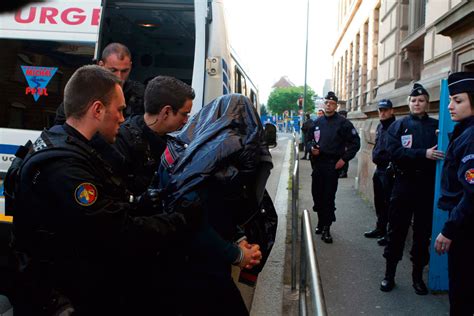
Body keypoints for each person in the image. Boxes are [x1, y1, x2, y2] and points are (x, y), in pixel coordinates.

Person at [7, 65, 203, 315]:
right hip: (58, 297)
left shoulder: (69, 143)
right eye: (119, 110)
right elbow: (116, 231)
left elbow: (107, 206)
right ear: (97, 110)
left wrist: (140, 204)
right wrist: (180, 221)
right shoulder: (66, 167)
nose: (123, 118)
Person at [380, 83, 445, 294]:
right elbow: (394, 152)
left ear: (427, 103)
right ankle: (389, 275)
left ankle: (417, 277)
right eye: (414, 100)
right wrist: (422, 154)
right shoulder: (398, 126)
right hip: (403, 185)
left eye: (422, 100)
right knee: (396, 230)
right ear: (409, 103)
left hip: (426, 186)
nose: (417, 104)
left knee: (422, 234)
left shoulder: (437, 126)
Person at [113, 75, 194, 198]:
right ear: (166, 112)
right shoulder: (122, 142)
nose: (186, 121)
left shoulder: (173, 142)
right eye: (184, 114)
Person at [434, 72, 474, 315]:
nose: (450, 106)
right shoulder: (464, 131)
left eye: (458, 100)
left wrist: (449, 230)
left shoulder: (471, 137)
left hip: (466, 228)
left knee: (462, 292)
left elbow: (472, 193)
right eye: (450, 100)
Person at [309, 91, 361, 243]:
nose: (328, 105)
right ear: (323, 104)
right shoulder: (317, 122)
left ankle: (326, 227)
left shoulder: (343, 123)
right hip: (318, 165)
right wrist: (311, 148)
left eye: (332, 103)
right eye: (326, 103)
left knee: (328, 197)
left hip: (332, 165)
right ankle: (320, 221)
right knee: (317, 196)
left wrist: (344, 160)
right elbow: (309, 140)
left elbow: (355, 143)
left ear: (336, 106)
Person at [53, 43, 145, 125]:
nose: (119, 77)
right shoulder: (85, 89)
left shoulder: (139, 93)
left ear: (130, 66)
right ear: (101, 65)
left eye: (125, 71)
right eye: (113, 70)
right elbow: (61, 121)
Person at [364, 99, 396, 246]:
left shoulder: (396, 127)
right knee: (379, 201)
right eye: (380, 110)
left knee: (389, 203)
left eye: (385, 110)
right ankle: (380, 228)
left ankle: (390, 233)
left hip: (389, 170)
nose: (382, 113)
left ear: (391, 111)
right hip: (379, 169)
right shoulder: (380, 126)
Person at [337, 109, 350, 178]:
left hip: (345, 144)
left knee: (345, 159)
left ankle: (344, 172)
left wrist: (347, 146)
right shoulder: (339, 123)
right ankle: (341, 171)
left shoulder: (347, 124)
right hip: (339, 145)